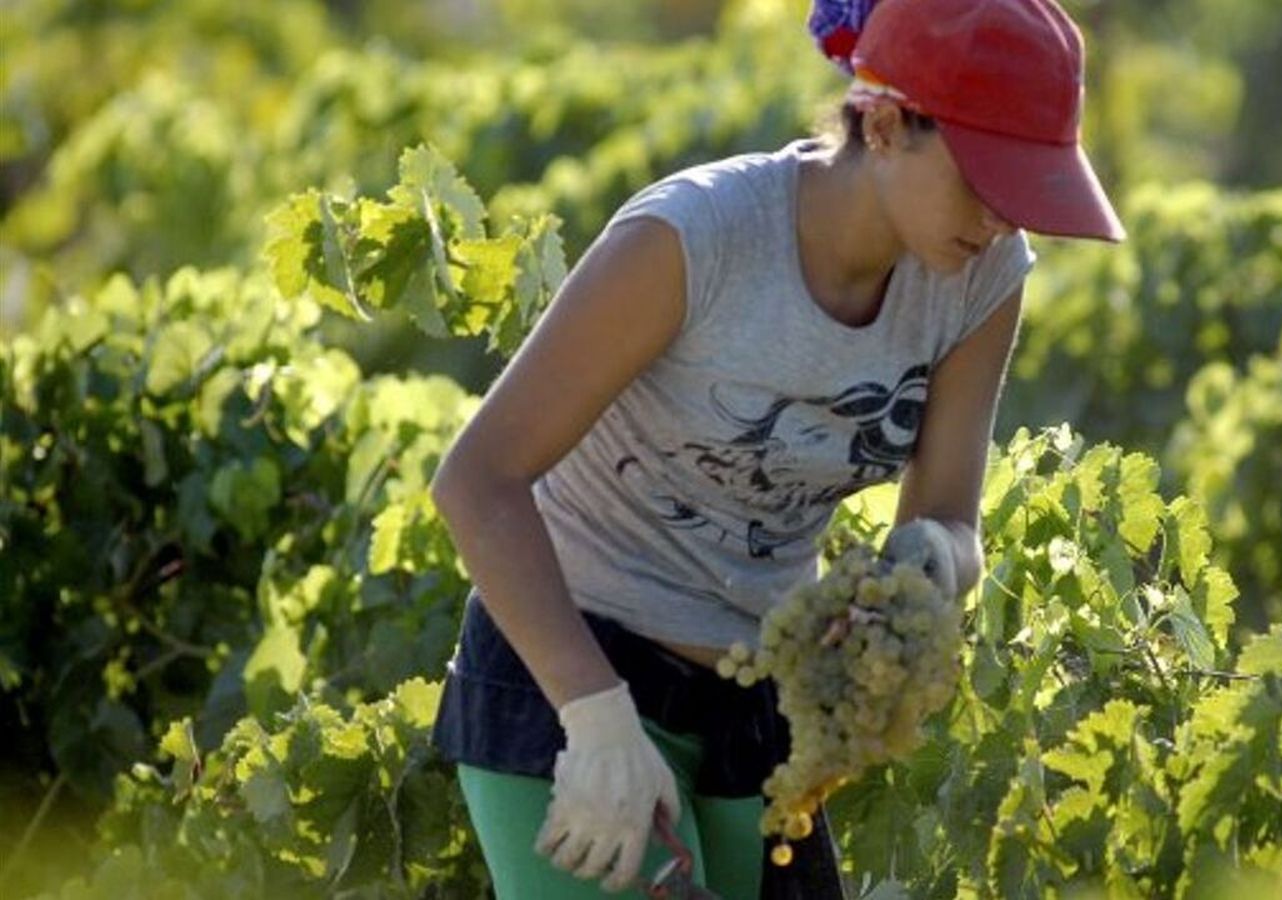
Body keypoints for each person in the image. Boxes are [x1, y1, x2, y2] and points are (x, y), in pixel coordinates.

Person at [426, 0, 1125, 896]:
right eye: (985, 179)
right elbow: (477, 481)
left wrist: (926, 563)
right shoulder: (694, 241)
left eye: (1024, 189)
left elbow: (951, 517)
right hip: (570, 672)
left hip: (755, 699)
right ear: (882, 123)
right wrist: (595, 718)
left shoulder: (982, 277)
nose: (1000, 217)